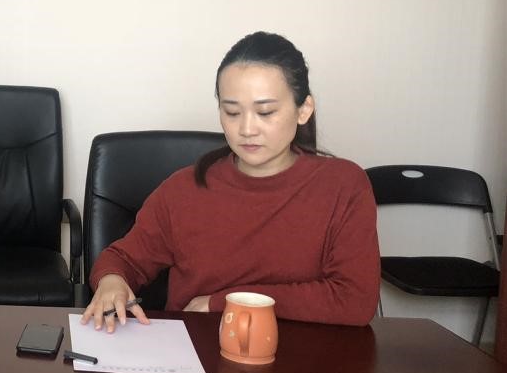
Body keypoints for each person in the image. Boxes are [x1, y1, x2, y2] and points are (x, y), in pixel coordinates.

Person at [82, 31, 379, 330]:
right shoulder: (183, 190)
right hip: (196, 350)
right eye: (232, 112)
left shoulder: (343, 185)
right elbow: (121, 259)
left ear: (303, 110)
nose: (247, 129)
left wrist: (224, 302)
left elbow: (354, 300)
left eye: (265, 112)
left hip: (307, 354)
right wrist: (112, 281)